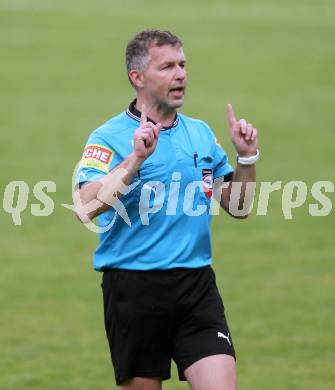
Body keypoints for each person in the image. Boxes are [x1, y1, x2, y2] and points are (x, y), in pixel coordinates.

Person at [74, 30, 258, 390]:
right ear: (137, 78)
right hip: (134, 287)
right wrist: (135, 159)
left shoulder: (201, 134)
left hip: (196, 285)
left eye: (183, 65)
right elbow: (85, 207)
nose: (180, 75)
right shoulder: (108, 137)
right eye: (168, 66)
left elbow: (238, 207)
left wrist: (247, 157)